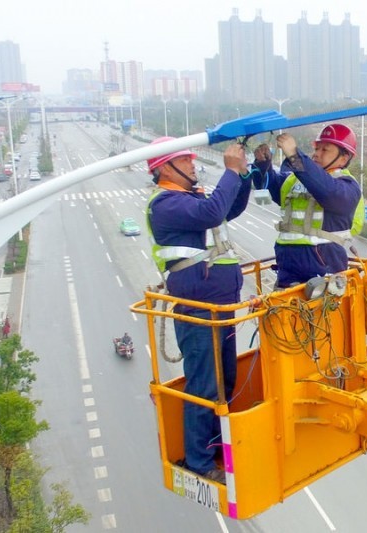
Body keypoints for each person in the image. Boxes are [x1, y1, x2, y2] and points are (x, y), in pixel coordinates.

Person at [146, 137, 252, 484]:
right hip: (199, 311)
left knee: (224, 382)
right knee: (205, 386)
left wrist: (244, 175)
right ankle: (199, 461)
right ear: (164, 168)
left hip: (219, 306)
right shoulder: (166, 204)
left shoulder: (190, 199)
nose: (192, 165)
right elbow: (213, 212)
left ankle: (217, 448)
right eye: (185, 160)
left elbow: (227, 209)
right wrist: (230, 170)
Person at [252, 124, 365, 288]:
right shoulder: (295, 179)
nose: (317, 154)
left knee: (321, 306)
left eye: (325, 150)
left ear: (344, 158)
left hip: (323, 265)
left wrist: (295, 156)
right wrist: (263, 165)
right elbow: (270, 187)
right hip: (287, 264)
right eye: (317, 148)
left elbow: (326, 190)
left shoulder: (347, 187)